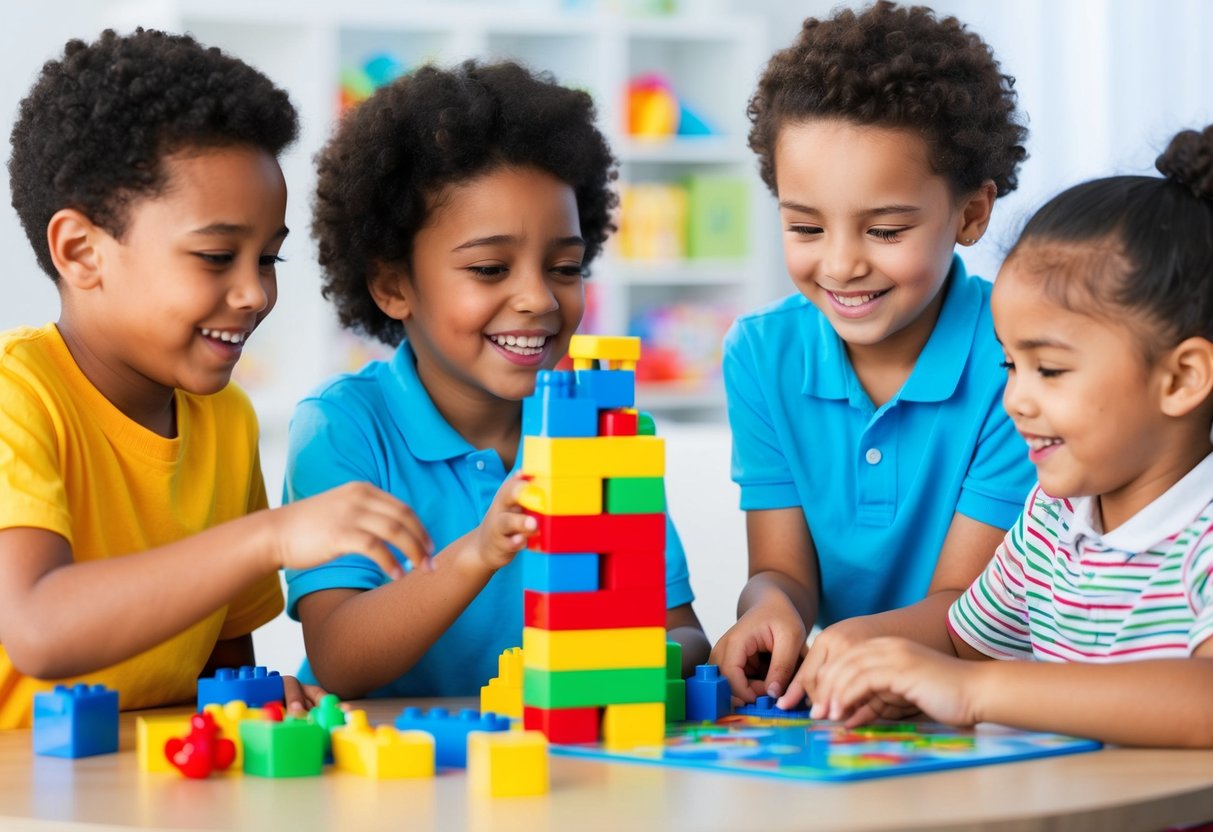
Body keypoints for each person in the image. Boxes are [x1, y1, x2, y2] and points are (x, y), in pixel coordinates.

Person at [0, 29, 431, 729]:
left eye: (268, 260)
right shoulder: (17, 398)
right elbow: (39, 628)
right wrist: (270, 536)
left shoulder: (223, 419)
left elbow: (221, 671)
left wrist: (259, 699)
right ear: (81, 252)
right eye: (215, 256)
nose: (255, 293)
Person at [286, 59, 710, 700]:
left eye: (565, 267)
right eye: (489, 269)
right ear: (393, 285)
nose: (538, 299)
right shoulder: (343, 428)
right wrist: (478, 553)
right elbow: (340, 658)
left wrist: (613, 662)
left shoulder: (598, 431)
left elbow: (682, 632)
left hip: (562, 772)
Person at [810, 124, 1213, 747]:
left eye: (1048, 369)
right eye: (1010, 365)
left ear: (1182, 378)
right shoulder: (1051, 520)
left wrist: (973, 693)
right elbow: (961, 639)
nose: (1016, 399)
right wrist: (873, 646)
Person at [710, 1, 1036, 705]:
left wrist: (848, 643)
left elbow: (970, 606)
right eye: (803, 225)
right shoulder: (762, 354)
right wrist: (769, 608)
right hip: (850, 705)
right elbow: (783, 571)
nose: (840, 264)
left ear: (972, 213)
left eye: (884, 230)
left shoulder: (1019, 355)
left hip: (990, 701)